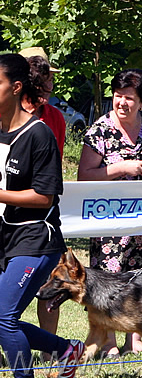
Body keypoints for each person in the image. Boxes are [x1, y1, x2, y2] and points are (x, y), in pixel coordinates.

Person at [0, 54, 84, 378]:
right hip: (5, 240)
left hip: (37, 240)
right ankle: (64, 348)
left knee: (4, 316)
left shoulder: (39, 134)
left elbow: (44, 195)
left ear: (15, 87)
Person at [78, 68, 142, 358]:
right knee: (108, 283)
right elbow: (85, 175)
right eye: (118, 96)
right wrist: (123, 168)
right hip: (109, 224)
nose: (122, 103)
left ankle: (137, 338)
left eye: (129, 98)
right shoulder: (100, 130)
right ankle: (107, 341)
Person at [17, 48, 67, 350]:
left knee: (49, 287)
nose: (47, 92)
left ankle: (53, 349)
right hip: (7, 212)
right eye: (41, 85)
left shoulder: (55, 118)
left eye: (49, 85)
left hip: (40, 218)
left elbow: (52, 169)